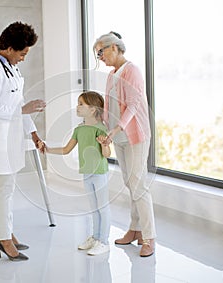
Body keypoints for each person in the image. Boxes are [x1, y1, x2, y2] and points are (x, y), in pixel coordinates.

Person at [0, 21, 46, 261]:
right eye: (22, 53)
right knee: (4, 188)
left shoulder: (11, 68)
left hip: (13, 136)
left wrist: (34, 133)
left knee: (9, 189)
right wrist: (23, 109)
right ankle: (3, 238)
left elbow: (20, 105)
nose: (24, 58)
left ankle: (7, 232)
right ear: (9, 48)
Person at [93, 31, 156, 257]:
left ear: (115, 48)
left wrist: (117, 128)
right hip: (116, 137)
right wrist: (99, 120)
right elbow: (110, 106)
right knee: (130, 184)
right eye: (97, 53)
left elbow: (134, 105)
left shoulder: (132, 71)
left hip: (134, 135)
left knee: (138, 184)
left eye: (101, 51)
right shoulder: (112, 74)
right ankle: (135, 229)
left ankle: (149, 237)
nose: (99, 56)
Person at [38, 91, 111, 256]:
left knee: (103, 207)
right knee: (94, 208)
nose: (77, 107)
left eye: (81, 104)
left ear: (92, 110)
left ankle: (104, 242)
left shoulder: (101, 129)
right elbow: (66, 150)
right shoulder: (79, 129)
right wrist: (47, 149)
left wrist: (104, 145)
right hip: (86, 174)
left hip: (99, 173)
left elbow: (106, 154)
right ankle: (96, 237)